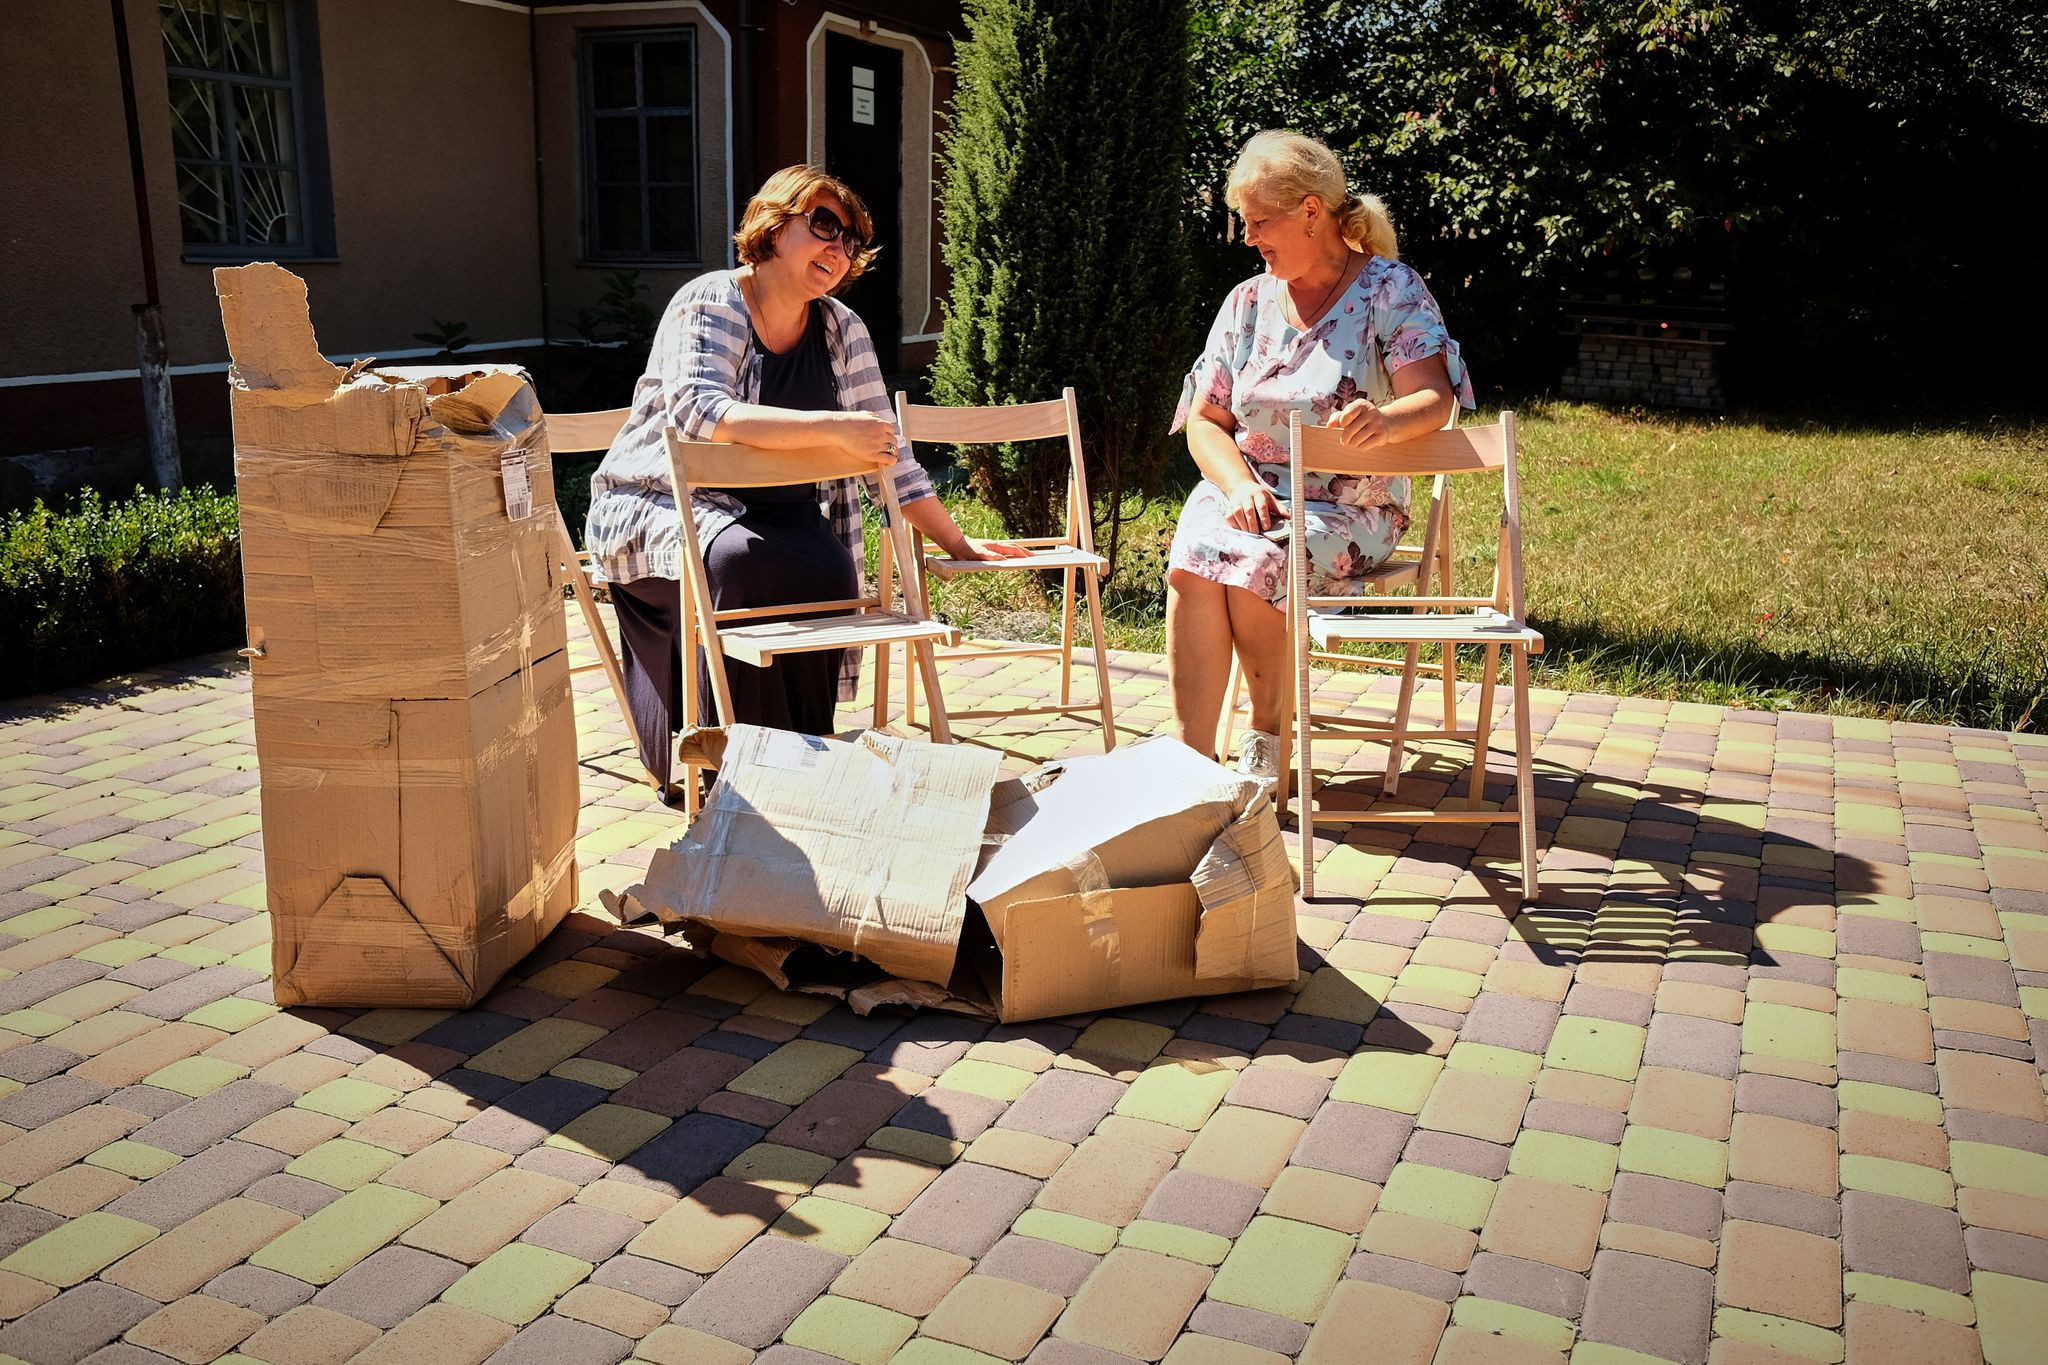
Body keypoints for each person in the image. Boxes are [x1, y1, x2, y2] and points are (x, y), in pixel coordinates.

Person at [584, 165, 1027, 798]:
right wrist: (832, 427)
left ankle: (800, 763)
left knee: (832, 572)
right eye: (823, 225)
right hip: (666, 506)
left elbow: (885, 455)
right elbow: (700, 412)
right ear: (772, 224)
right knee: (742, 562)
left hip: (780, 514)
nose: (837, 248)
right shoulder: (712, 299)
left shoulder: (841, 328)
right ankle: (726, 769)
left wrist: (957, 543)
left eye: (849, 241)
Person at [1166, 130, 1474, 781]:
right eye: (1243, 223)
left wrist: (1384, 421)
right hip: (1244, 488)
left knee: (1257, 561)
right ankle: (1190, 766)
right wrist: (1236, 486)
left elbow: (1434, 399)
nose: (1248, 237)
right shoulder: (1247, 302)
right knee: (1193, 562)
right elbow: (1205, 420)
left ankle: (1266, 733)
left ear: (1311, 212)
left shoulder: (1391, 289)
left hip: (1350, 504)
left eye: (1259, 221)